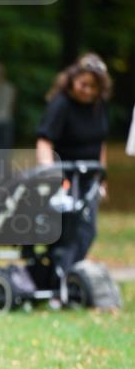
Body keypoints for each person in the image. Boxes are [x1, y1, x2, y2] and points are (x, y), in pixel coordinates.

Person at [36, 52, 110, 273]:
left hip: (89, 179)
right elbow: (44, 141)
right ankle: (57, 276)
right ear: (73, 80)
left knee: (87, 231)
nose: (86, 89)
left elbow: (100, 143)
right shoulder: (61, 104)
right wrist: (51, 174)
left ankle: (69, 275)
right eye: (83, 83)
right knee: (66, 231)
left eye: (92, 86)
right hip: (66, 178)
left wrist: (102, 179)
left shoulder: (99, 107)